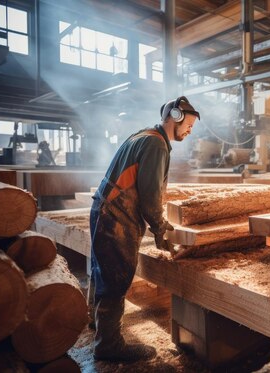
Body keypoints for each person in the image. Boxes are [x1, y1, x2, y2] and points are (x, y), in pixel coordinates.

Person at [88, 96, 199, 361]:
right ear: (176, 116)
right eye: (189, 125)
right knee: (116, 278)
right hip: (116, 215)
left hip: (105, 210)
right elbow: (150, 196)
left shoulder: (143, 136)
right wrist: (160, 229)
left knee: (102, 272)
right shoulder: (156, 144)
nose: (189, 131)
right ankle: (108, 346)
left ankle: (97, 325)